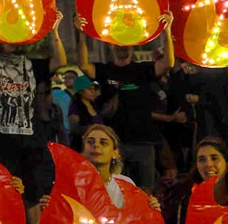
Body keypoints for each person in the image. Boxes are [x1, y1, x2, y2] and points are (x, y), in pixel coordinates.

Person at [0, 14, 67, 224]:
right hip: (0, 142)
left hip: (31, 140)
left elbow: (59, 60)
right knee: (2, 196)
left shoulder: (31, 63)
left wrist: (55, 32)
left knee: (33, 196)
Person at [75, 12, 175, 192]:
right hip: (114, 143)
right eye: (118, 44)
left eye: (126, 44)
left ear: (133, 47)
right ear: (111, 46)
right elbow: (84, 65)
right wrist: (82, 36)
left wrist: (167, 32)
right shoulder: (105, 70)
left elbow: (167, 63)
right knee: (111, 189)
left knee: (144, 191)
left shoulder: (142, 69)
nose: (122, 47)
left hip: (143, 141)